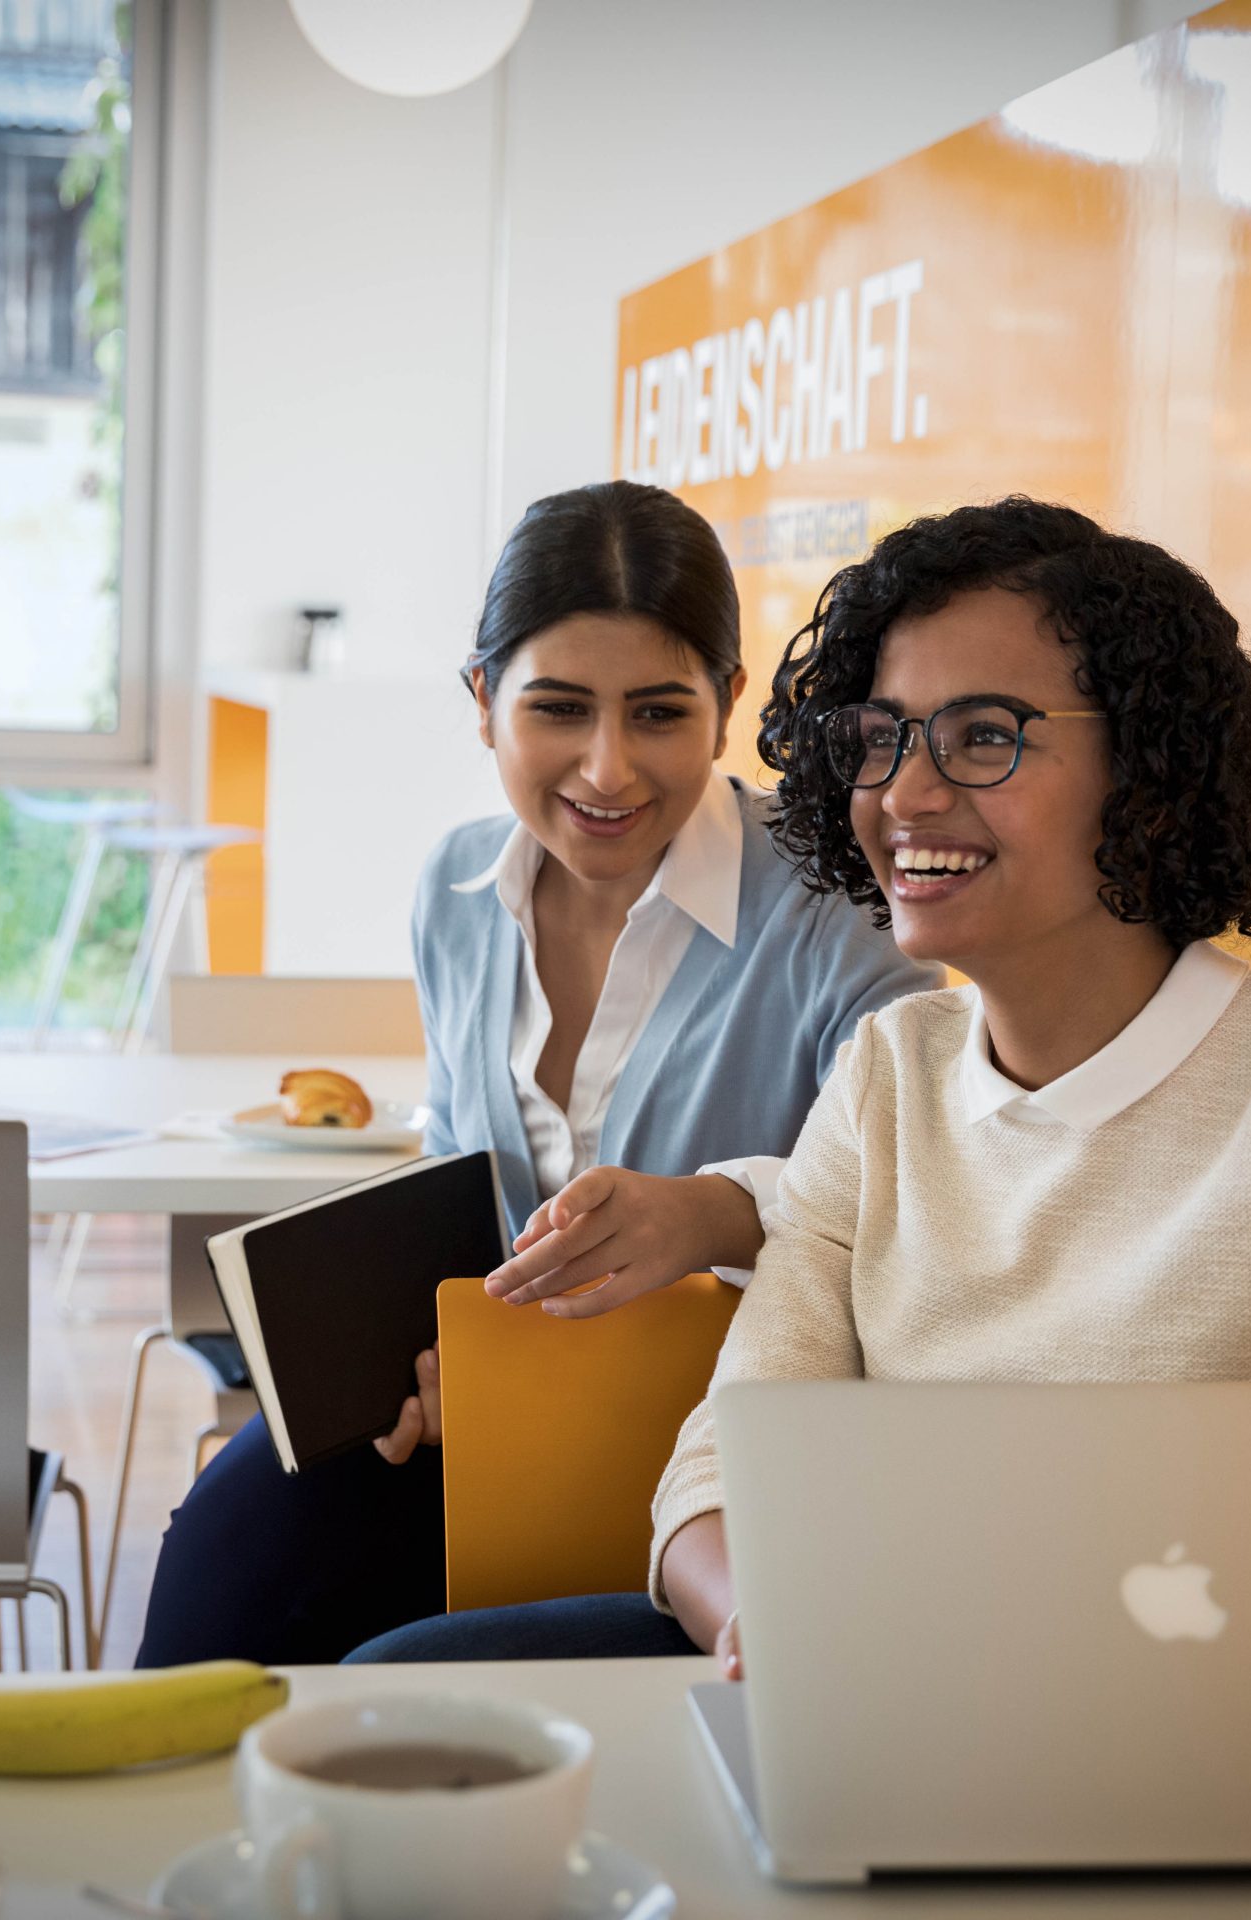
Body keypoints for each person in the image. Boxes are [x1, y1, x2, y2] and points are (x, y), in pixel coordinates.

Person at [349, 496, 1251, 1667]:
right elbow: (720, 1469)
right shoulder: (888, 1078)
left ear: (1148, 772)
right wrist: (759, 1624)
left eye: (984, 738)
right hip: (878, 1692)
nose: (907, 793)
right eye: (885, 737)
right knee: (387, 1693)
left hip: (1198, 1753)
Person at [136, 482, 939, 1667]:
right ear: (482, 703)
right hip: (506, 1407)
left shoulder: (838, 904)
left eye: (659, 714)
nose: (607, 770)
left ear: (724, 704)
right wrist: (438, 1349)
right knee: (230, 1547)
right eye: (558, 708)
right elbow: (466, 1190)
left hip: (719, 1435)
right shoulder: (458, 889)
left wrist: (711, 1209)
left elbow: (927, 1184)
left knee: (365, 1661)